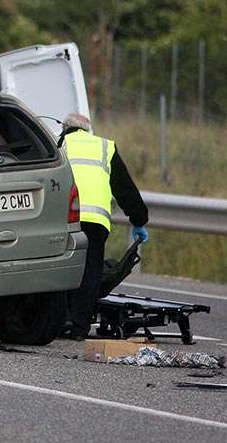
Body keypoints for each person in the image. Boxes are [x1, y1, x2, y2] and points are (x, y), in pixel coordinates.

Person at [61, 113, 149, 340]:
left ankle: (60, 321)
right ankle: (80, 329)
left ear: (65, 128)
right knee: (90, 273)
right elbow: (126, 190)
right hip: (96, 223)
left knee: (61, 268)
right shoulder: (105, 147)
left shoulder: (58, 144)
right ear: (88, 130)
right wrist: (139, 220)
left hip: (66, 219)